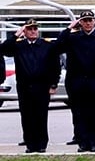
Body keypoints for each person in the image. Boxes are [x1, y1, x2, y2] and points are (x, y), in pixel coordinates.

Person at [55, 10, 95, 152]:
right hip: (76, 81)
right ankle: (82, 142)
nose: (88, 23)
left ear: (94, 22)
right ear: (80, 22)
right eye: (85, 20)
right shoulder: (73, 38)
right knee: (78, 113)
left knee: (94, 113)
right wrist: (69, 28)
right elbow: (57, 46)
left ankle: (93, 142)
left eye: (90, 20)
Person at [0, 19, 61, 153]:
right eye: (29, 29)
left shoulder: (46, 45)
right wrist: (16, 34)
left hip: (42, 86)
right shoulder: (18, 45)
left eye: (35, 29)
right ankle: (30, 144)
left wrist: (54, 83)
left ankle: (41, 144)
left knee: (41, 115)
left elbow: (55, 66)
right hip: (25, 86)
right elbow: (3, 49)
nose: (33, 31)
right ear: (25, 31)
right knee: (27, 116)